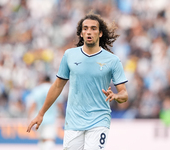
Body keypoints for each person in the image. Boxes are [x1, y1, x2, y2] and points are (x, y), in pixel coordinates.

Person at [27, 12, 128, 150]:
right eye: (85, 28)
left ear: (100, 33)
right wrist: (40, 113)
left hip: (99, 120)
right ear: (81, 33)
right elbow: (57, 86)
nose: (88, 32)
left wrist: (116, 96)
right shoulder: (69, 55)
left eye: (93, 28)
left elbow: (124, 94)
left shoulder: (112, 60)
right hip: (73, 121)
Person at [27, 75, 64, 150]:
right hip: (51, 119)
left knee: (42, 140)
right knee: (49, 139)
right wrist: (62, 115)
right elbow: (60, 104)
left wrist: (29, 117)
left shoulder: (37, 89)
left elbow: (33, 104)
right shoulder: (54, 88)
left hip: (37, 118)